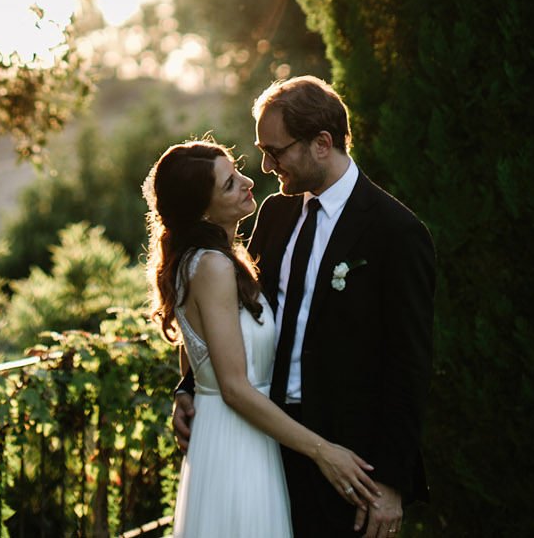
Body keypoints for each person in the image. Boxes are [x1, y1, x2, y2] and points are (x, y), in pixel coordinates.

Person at [172, 76, 436, 538]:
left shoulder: (396, 232)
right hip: (265, 443)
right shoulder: (276, 214)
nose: (266, 166)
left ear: (321, 144)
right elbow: (231, 316)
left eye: (276, 151)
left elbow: (408, 364)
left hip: (347, 462)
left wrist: (392, 483)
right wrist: (189, 386)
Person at [144, 138, 380, 538]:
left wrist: (190, 389)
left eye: (236, 171)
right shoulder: (214, 266)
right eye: (230, 183)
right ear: (202, 209)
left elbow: (196, 349)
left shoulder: (203, 260)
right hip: (238, 442)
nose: (248, 181)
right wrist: (324, 452)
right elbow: (235, 389)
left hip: (235, 433)